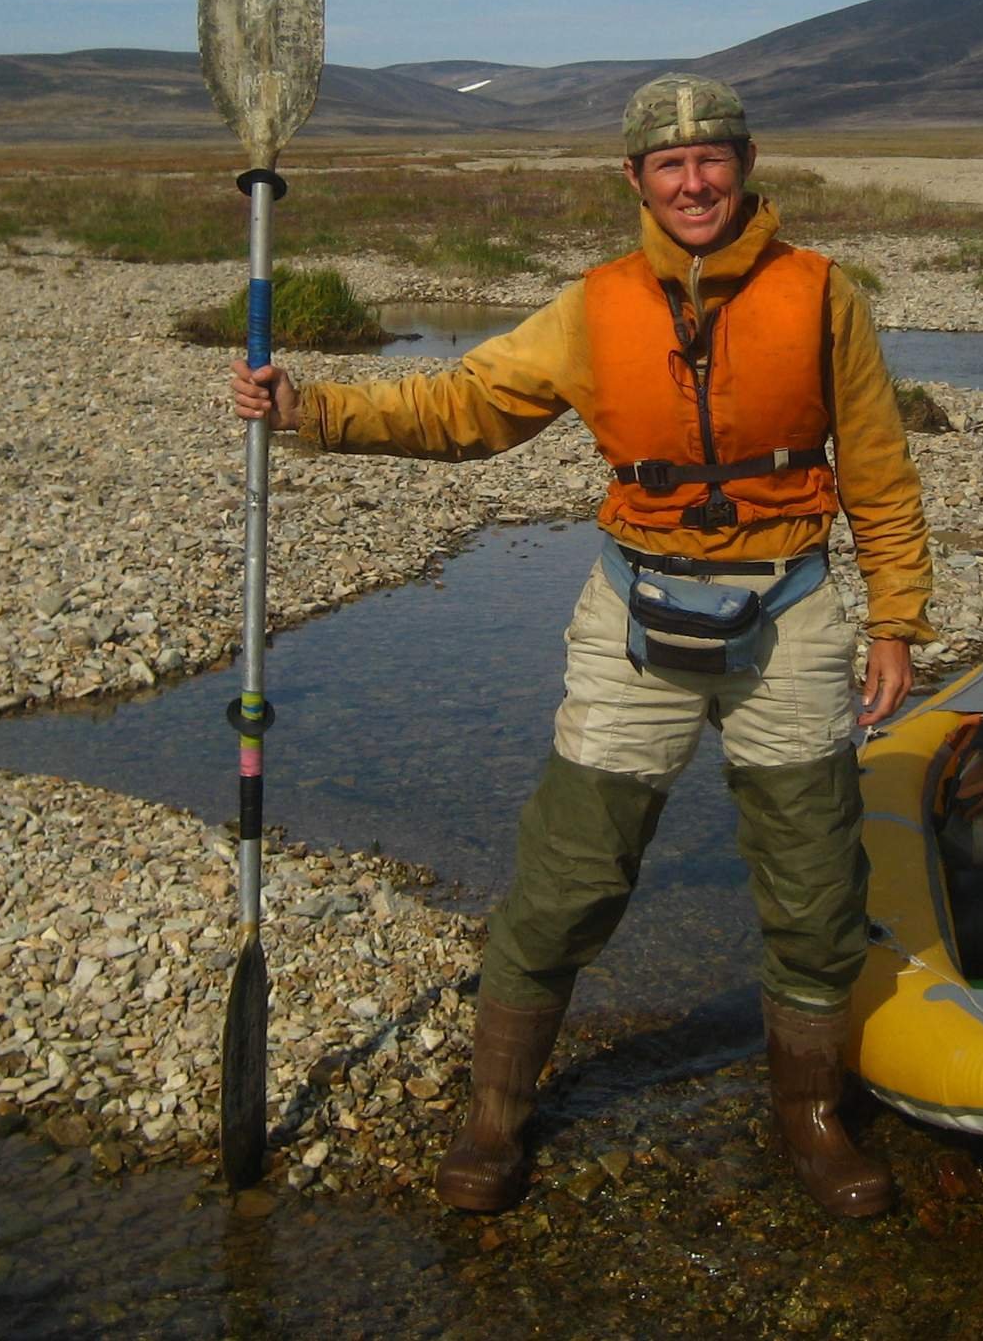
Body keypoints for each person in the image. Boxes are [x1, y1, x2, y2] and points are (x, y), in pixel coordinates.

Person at [228, 73, 933, 1218]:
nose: (695, 181)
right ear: (636, 179)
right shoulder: (593, 307)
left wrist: (897, 617)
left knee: (814, 889)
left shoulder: (822, 297)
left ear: (748, 165)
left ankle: (810, 1114)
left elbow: (880, 469)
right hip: (633, 616)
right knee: (568, 878)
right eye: (671, 163)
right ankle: (496, 1115)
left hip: (792, 616)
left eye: (714, 159)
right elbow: (466, 407)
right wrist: (315, 410)